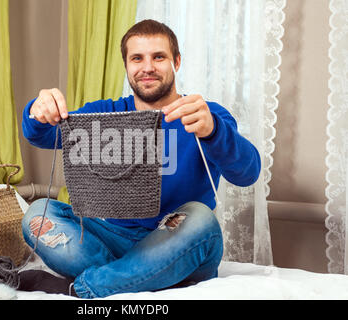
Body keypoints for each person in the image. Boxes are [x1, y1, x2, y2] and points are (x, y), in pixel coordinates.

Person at [19, 19, 261, 299]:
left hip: (179, 238)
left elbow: (248, 173)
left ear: (177, 62)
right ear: (127, 66)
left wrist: (214, 131)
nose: (147, 67)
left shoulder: (204, 114)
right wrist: (37, 111)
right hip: (116, 240)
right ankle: (145, 275)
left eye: (159, 57)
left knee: (201, 219)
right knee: (38, 215)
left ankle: (85, 288)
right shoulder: (106, 114)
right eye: (137, 58)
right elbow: (42, 135)